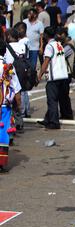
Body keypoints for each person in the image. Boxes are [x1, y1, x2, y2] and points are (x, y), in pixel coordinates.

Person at [36, 26, 73, 130]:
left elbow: (46, 62)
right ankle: (48, 119)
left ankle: (54, 122)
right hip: (63, 75)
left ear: (46, 35)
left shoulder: (49, 46)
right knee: (56, 98)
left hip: (54, 77)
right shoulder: (59, 44)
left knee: (52, 100)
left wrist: (39, 76)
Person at [0, 40, 22, 174]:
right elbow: (17, 91)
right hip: (5, 107)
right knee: (2, 135)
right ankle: (1, 163)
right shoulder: (8, 68)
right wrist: (18, 107)